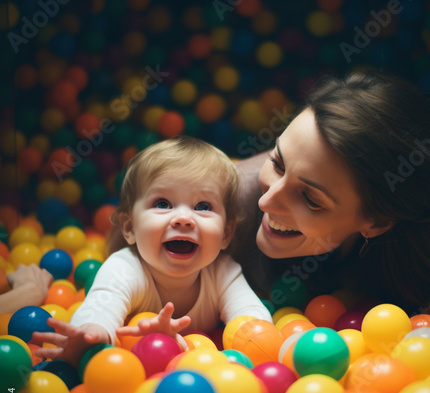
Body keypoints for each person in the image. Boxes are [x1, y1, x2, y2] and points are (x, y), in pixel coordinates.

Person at [229, 70, 430, 315]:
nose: (267, 201)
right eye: (277, 163)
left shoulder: (420, 258)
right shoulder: (217, 217)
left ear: (376, 222)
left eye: (309, 199)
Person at [32, 136, 272, 365]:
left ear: (226, 234)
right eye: (163, 204)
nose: (183, 219)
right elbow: (101, 306)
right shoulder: (124, 268)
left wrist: (260, 340)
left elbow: (253, 320)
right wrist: (91, 334)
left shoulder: (224, 272)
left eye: (202, 206)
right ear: (130, 227)